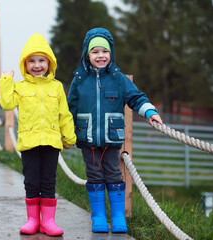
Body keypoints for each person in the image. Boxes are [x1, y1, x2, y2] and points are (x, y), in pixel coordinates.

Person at [67, 27, 163, 233]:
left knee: (113, 174)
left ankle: (118, 217)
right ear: (87, 54)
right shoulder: (79, 80)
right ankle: (99, 216)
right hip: (88, 138)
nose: (100, 56)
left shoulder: (119, 79)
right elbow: (69, 110)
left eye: (105, 51)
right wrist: (66, 133)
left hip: (112, 139)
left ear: (111, 53)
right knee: (93, 175)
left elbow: (136, 97)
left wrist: (149, 112)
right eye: (95, 52)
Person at [0, 33, 76, 236]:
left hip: (51, 142)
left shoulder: (57, 87)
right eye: (31, 61)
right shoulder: (19, 87)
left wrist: (69, 137)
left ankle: (48, 222)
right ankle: (33, 220)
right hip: (29, 142)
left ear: (49, 63)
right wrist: (6, 80)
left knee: (49, 181)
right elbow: (7, 103)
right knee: (31, 181)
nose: (37, 65)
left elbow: (64, 115)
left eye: (42, 60)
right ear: (25, 64)